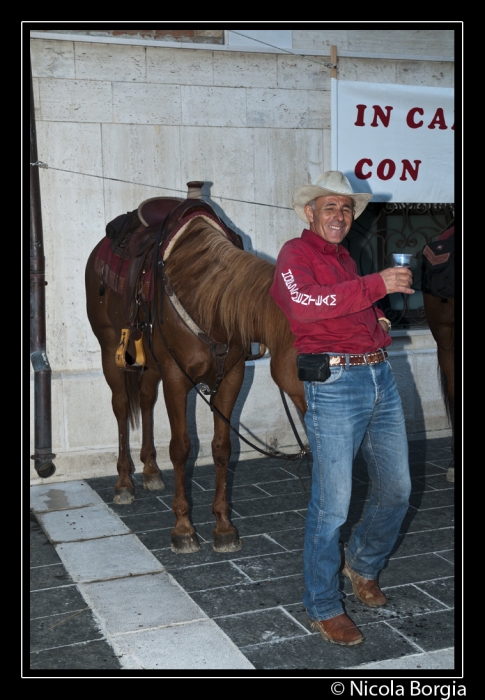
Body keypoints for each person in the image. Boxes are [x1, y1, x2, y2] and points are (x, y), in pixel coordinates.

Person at [269, 171, 413, 646]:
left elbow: (346, 306)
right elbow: (307, 305)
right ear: (310, 213)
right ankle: (323, 605)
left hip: (378, 375)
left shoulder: (346, 258)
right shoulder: (295, 253)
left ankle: (363, 566)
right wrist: (376, 286)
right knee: (332, 506)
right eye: (330, 207)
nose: (339, 215)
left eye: (346, 208)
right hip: (334, 384)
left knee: (396, 489)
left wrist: (377, 319)